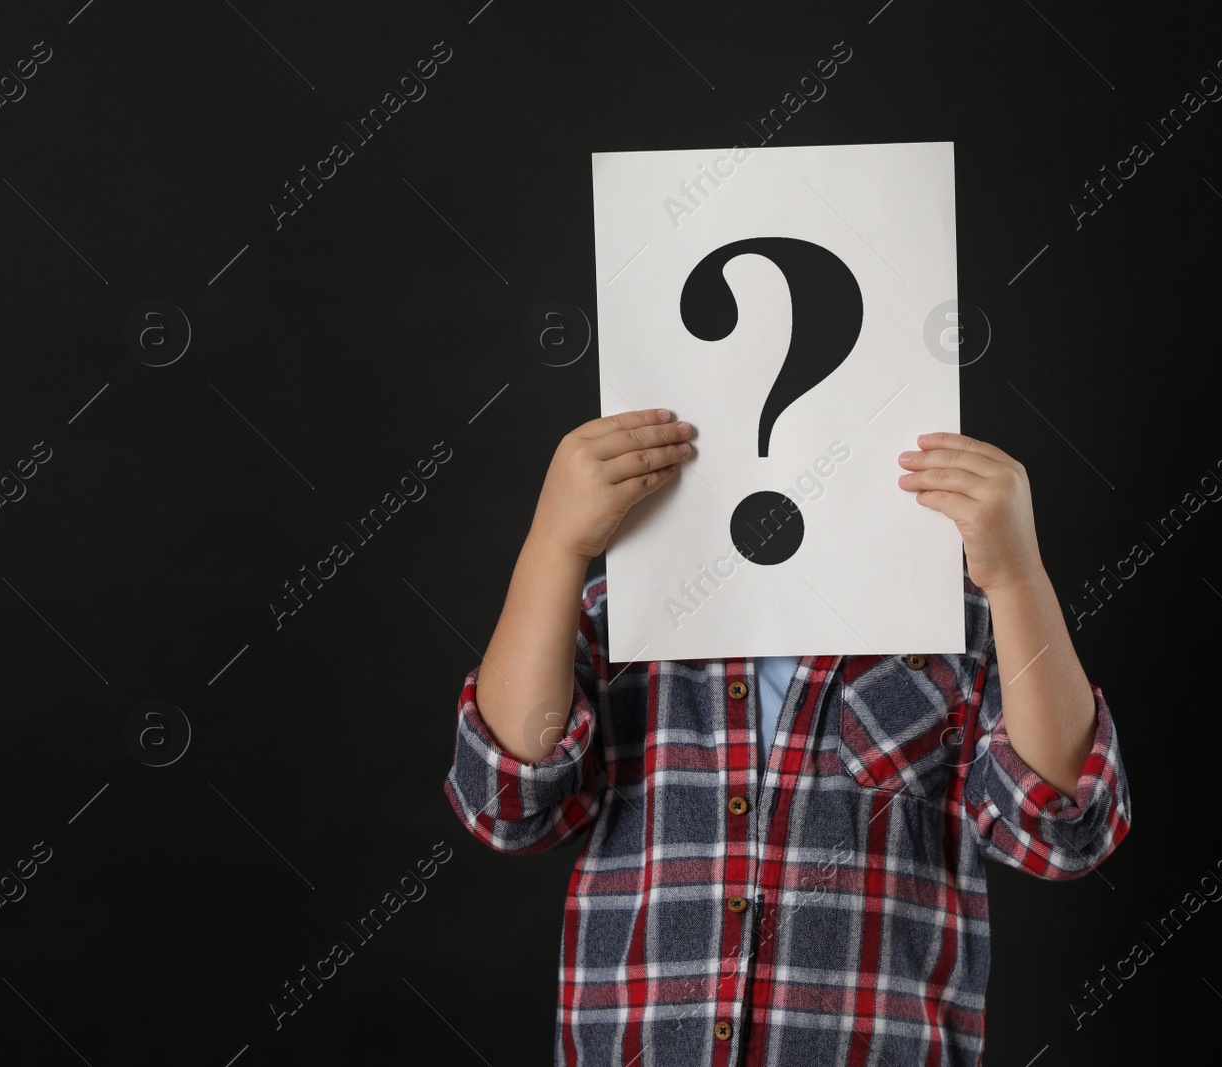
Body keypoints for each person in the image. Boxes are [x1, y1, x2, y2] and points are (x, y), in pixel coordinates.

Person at [442, 407, 1132, 1066]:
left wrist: (1017, 577)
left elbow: (1064, 827)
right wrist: (554, 545)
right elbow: (505, 800)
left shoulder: (956, 627)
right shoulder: (619, 620)